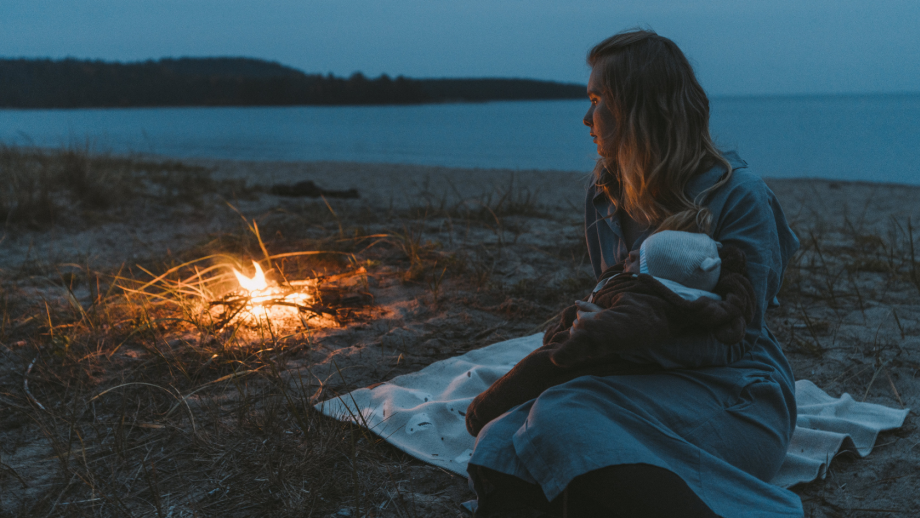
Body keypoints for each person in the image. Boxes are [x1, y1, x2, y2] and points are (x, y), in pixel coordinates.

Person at [466, 29, 803, 517]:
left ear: (641, 110)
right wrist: (596, 334)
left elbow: (736, 338)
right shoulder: (605, 195)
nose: (586, 118)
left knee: (560, 418)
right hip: (634, 380)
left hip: (736, 391)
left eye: (598, 100)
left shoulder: (740, 196)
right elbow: (618, 297)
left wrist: (615, 340)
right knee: (499, 441)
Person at [464, 230, 757, 438]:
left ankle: (483, 412)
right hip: (630, 363)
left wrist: (583, 337)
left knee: (539, 371)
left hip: (587, 356)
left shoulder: (643, 298)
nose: (629, 254)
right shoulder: (695, 296)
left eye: (640, 257)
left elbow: (626, 325)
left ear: (651, 274)